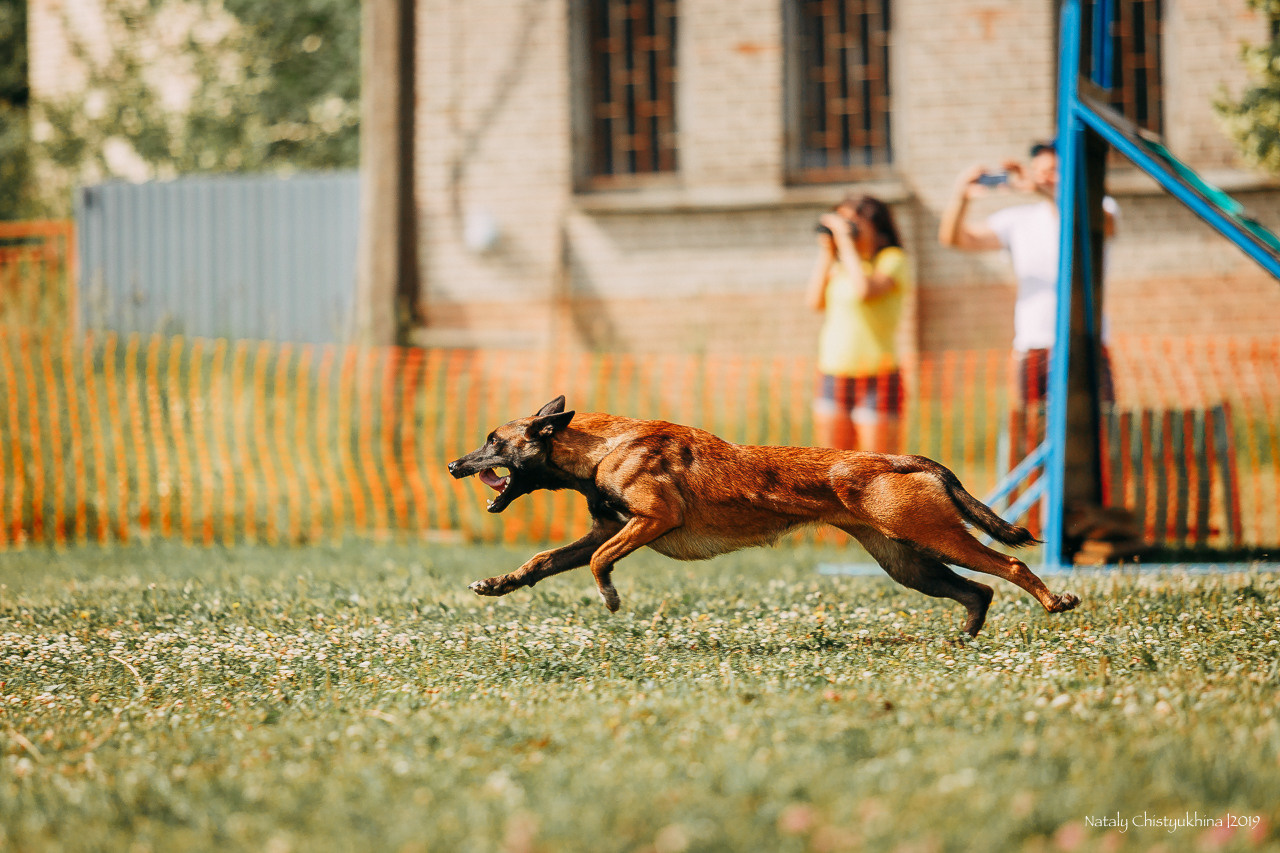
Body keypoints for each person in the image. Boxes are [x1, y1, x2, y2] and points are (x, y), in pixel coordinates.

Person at [937, 139, 1117, 411]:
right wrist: (960, 196)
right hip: (1034, 347)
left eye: (1054, 169)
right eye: (1040, 170)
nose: (1045, 177)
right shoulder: (1018, 220)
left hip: (1086, 344)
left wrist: (1043, 191)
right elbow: (954, 239)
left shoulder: (1101, 207)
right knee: (1032, 431)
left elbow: (1098, 223)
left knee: (1099, 429)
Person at [806, 194, 911, 453]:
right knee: (835, 462)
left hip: (877, 375)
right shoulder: (841, 267)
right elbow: (813, 302)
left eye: (853, 223)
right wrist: (827, 253)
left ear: (875, 225)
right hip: (834, 372)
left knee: (879, 465)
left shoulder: (892, 260)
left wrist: (846, 242)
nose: (846, 230)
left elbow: (866, 290)